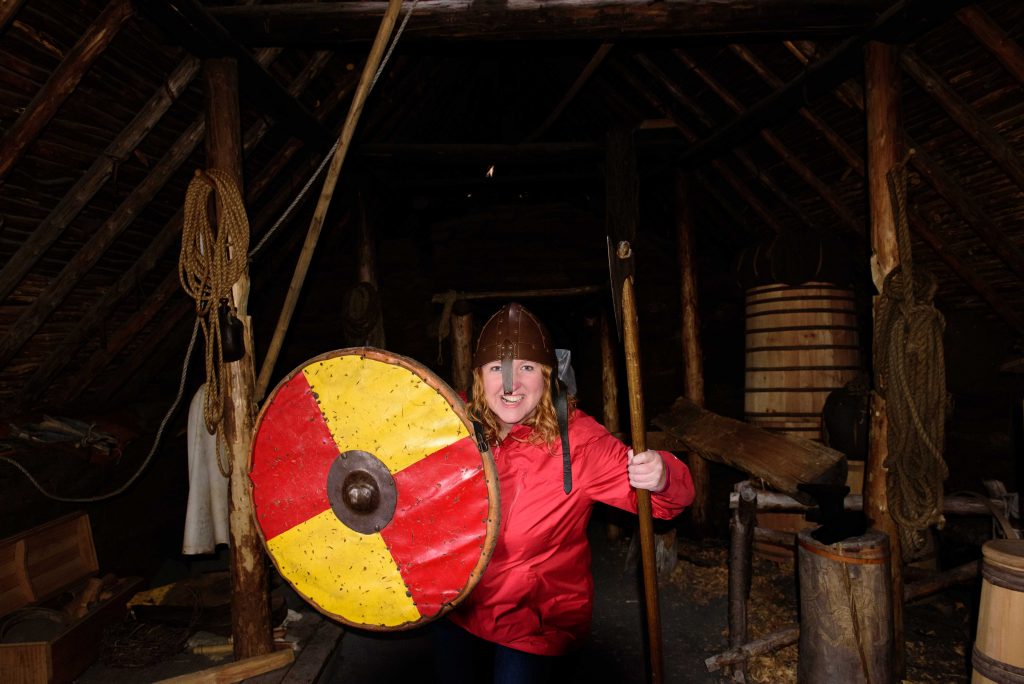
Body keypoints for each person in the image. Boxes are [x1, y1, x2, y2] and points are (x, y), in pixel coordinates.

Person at [433, 302, 695, 684]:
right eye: (496, 369)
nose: (510, 384)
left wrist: (662, 475)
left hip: (534, 625)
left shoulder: (581, 444)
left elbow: (667, 503)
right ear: (478, 377)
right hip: (458, 608)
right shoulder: (452, 422)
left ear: (549, 375)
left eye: (526, 367)